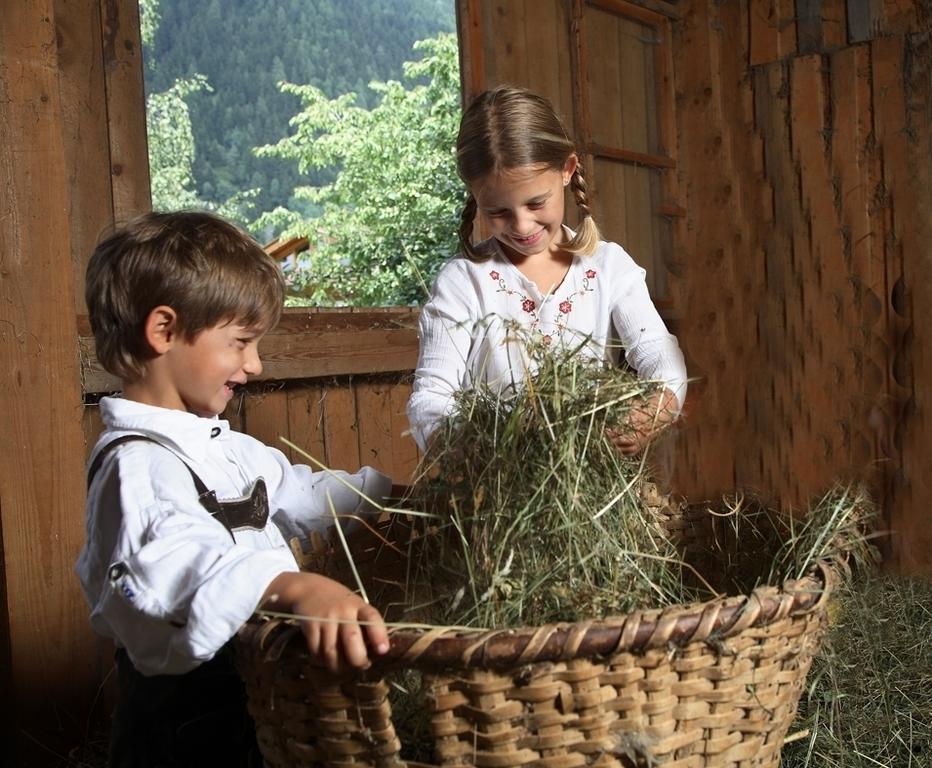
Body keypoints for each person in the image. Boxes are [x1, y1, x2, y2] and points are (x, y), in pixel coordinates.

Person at [76, 210, 391, 767]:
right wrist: (290, 586)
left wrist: (393, 499)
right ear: (164, 331)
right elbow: (173, 563)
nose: (255, 363)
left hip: (254, 711)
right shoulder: (138, 467)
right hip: (183, 735)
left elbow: (300, 493)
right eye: (241, 342)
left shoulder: (226, 448)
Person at [407, 86, 688, 455]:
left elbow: (657, 352)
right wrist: (474, 445)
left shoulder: (607, 268)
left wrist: (655, 408)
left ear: (567, 171)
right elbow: (431, 397)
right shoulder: (464, 282)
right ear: (476, 198)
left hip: (591, 486)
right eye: (498, 212)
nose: (522, 226)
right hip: (497, 488)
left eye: (536, 203)